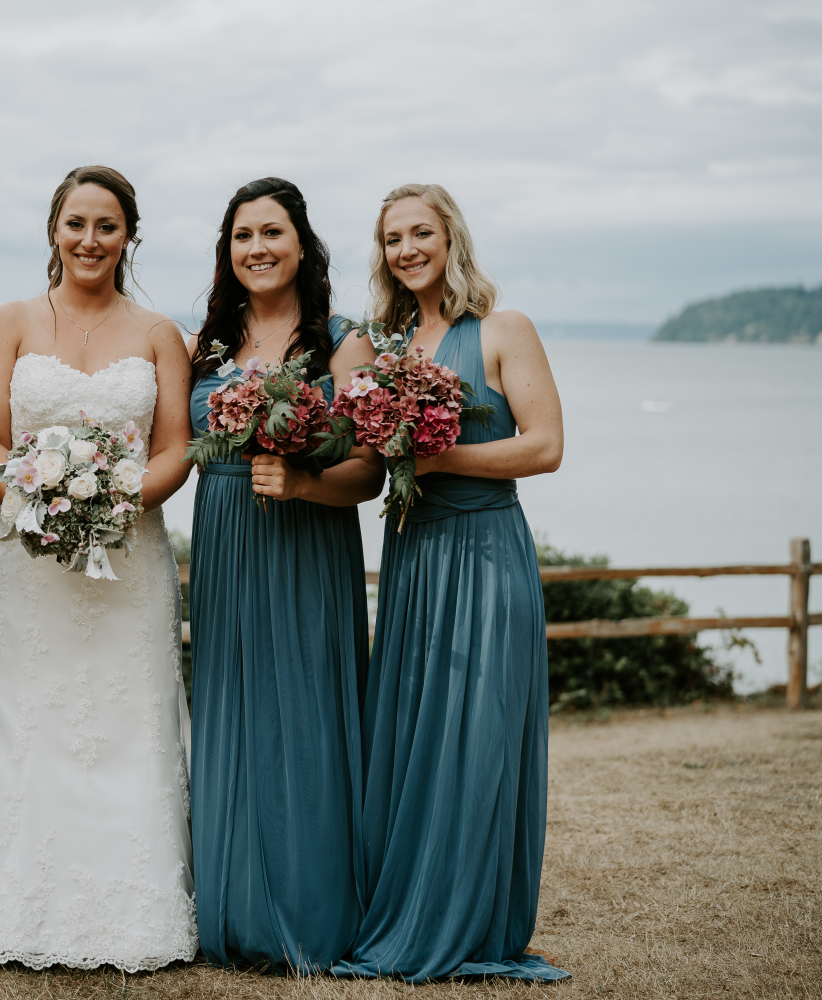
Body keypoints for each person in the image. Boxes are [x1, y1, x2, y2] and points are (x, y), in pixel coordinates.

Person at [0, 166, 197, 972]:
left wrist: (114, 503)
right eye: (76, 224)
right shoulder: (12, 322)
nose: (90, 241)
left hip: (130, 558)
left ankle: (137, 914)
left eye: (108, 226)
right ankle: (13, 903)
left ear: (130, 236)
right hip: (25, 560)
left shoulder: (159, 332)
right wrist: (37, 502)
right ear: (53, 229)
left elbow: (175, 449)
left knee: (128, 722)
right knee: (27, 718)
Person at [331, 183, 568, 983]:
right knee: (412, 736)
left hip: (486, 553)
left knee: (478, 735)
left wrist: (441, 458)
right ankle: (407, 905)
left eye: (420, 232)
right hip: (412, 558)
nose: (406, 249)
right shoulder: (385, 347)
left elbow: (544, 447)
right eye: (393, 238)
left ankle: (471, 920)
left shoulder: (504, 330)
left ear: (450, 237)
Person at [186, 177, 383, 972]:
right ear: (227, 253)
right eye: (242, 237)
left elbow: (369, 470)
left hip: (306, 538)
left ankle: (306, 913)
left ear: (303, 244)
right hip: (227, 536)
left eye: (272, 233)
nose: (257, 249)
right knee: (231, 709)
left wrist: (305, 483)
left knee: (302, 711)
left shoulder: (343, 341)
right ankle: (230, 911)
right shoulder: (206, 343)